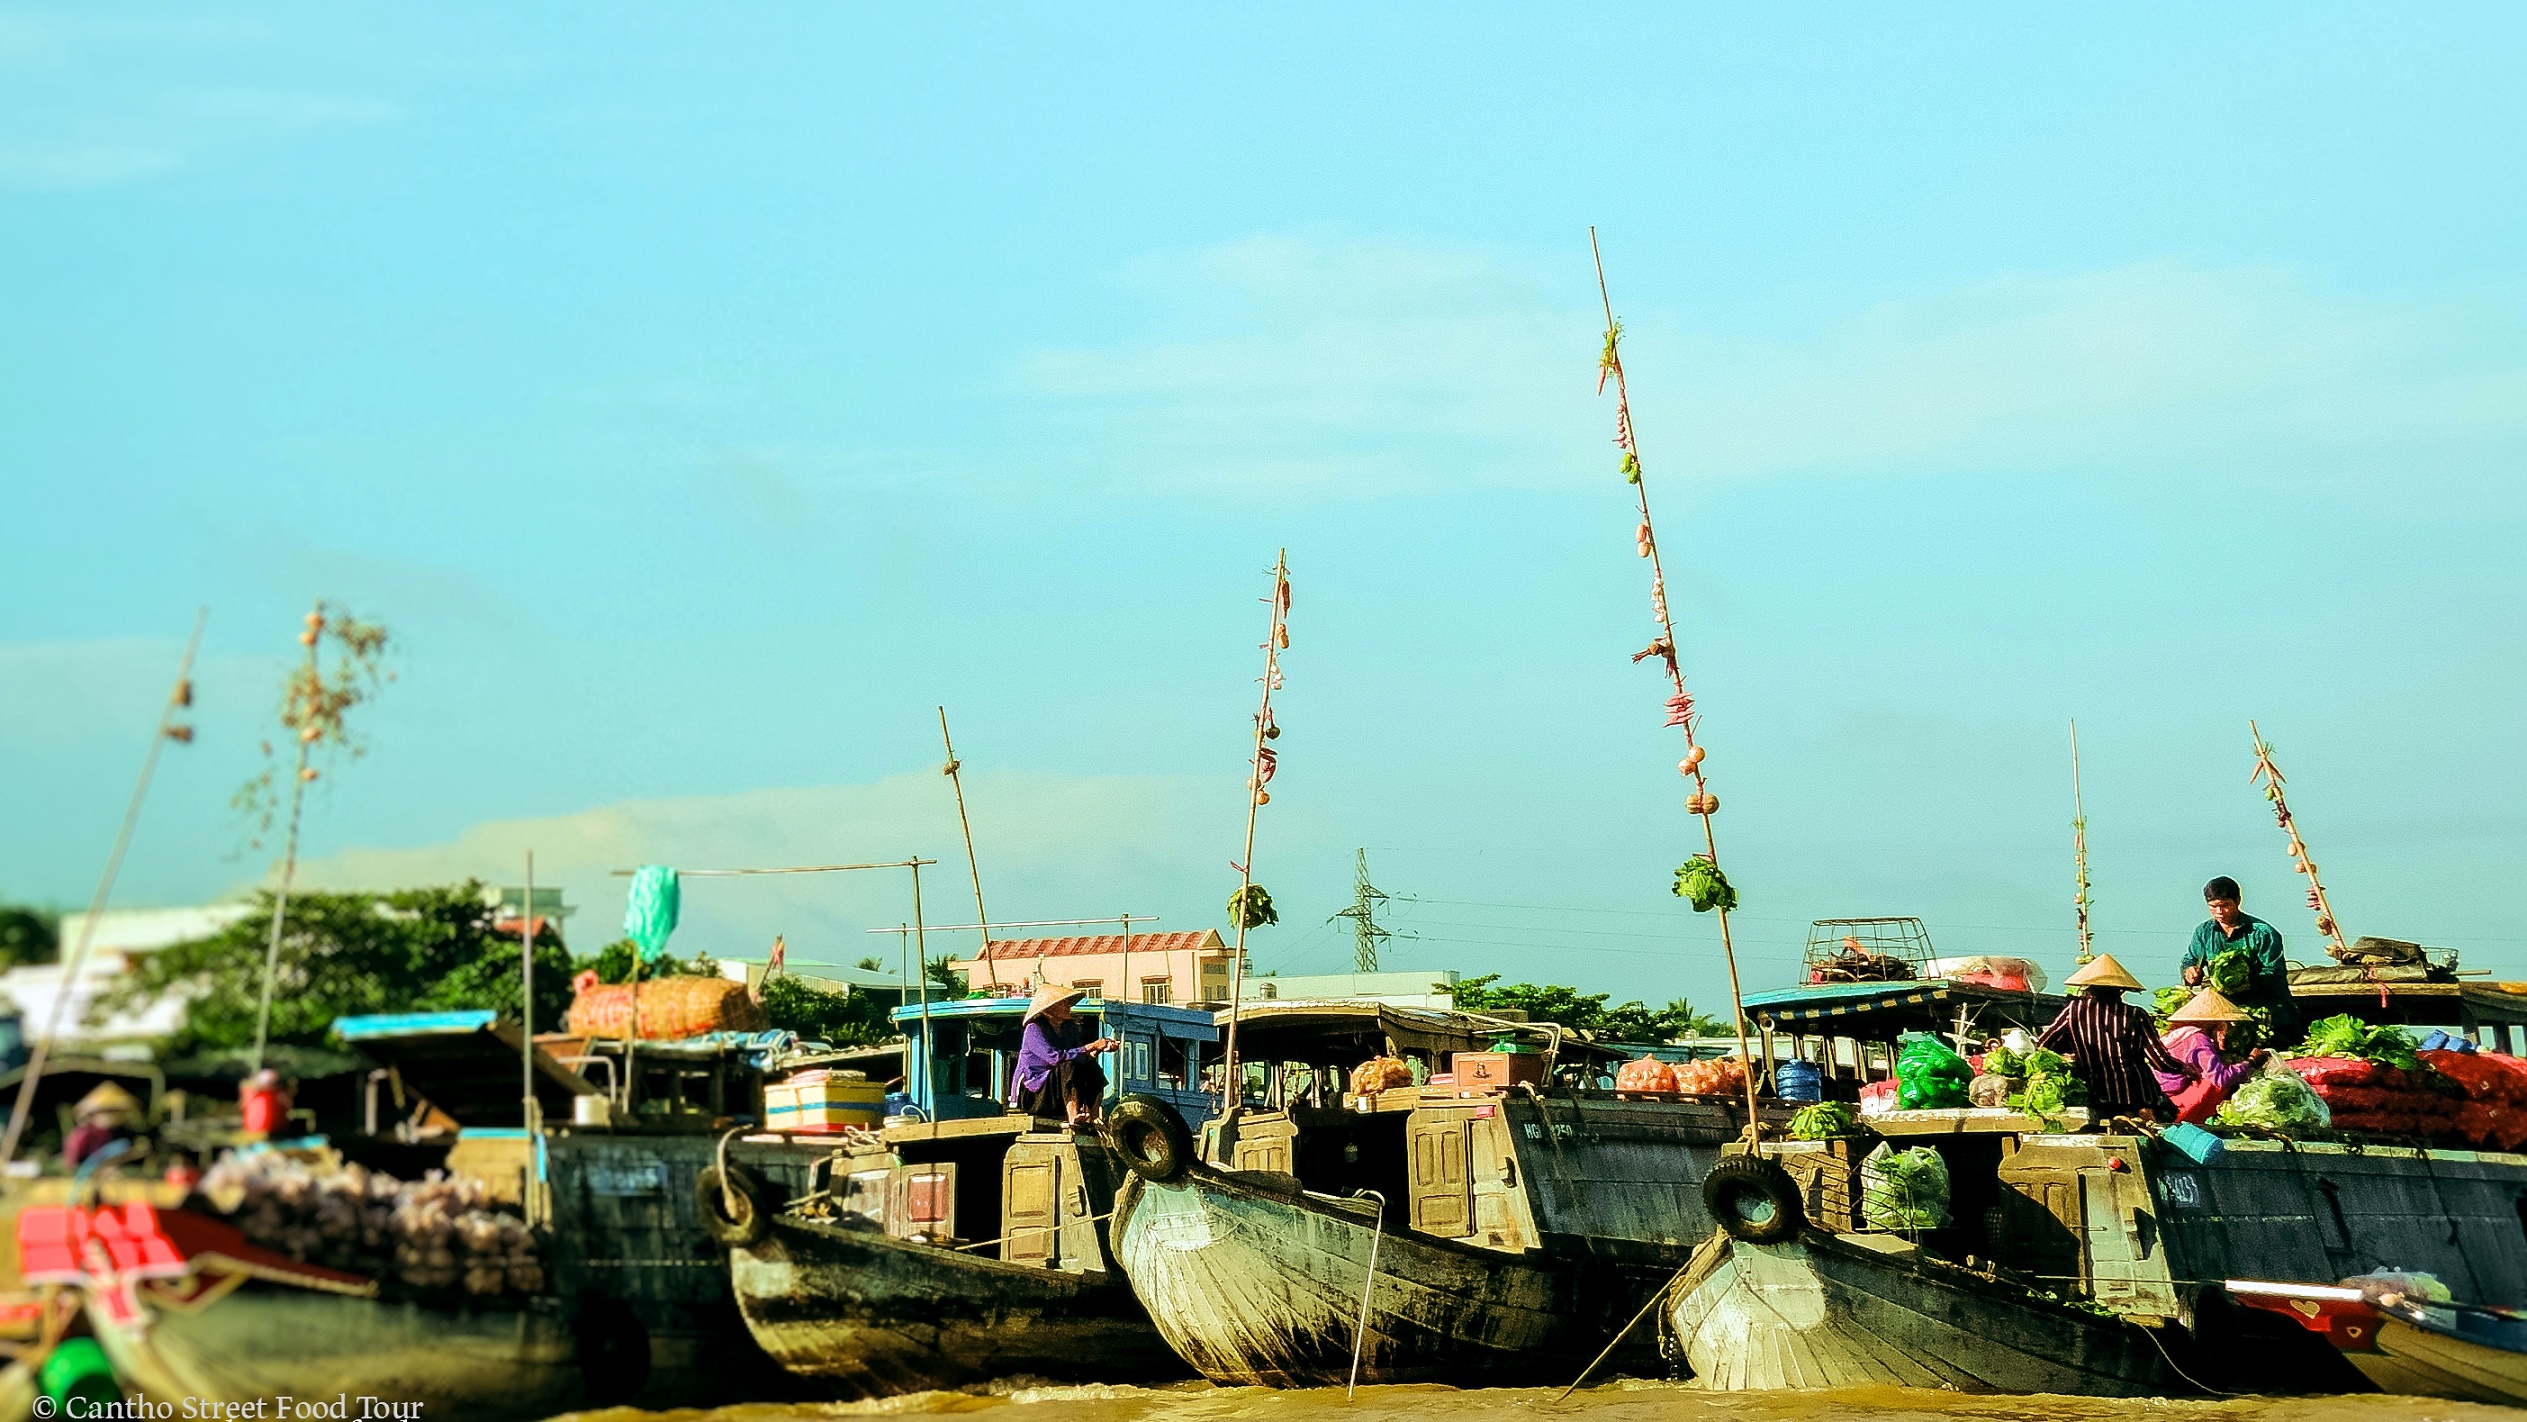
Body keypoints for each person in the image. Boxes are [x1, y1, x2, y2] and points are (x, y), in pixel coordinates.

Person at [2036, 954, 2195, 1124]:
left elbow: (2044, 1044)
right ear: (2120, 990)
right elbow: (2159, 1060)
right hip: (2137, 1094)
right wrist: (2183, 1068)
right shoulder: (2135, 1015)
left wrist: (2071, 1055)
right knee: (2151, 1127)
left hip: (2096, 1093)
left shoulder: (2074, 1010)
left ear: (2089, 988)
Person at [2182, 876, 2298, 1044]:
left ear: (2237, 901)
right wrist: (2190, 971)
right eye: (2213, 907)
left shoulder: (2262, 932)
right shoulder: (2204, 932)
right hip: (2223, 1014)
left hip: (2266, 1013)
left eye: (2225, 905)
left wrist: (2242, 981)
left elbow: (2274, 972)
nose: (2219, 912)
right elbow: (2190, 960)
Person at [1009, 984, 1118, 1126]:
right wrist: (1092, 1045)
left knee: (1093, 1069)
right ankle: (1073, 1115)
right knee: (1067, 1066)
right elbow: (1054, 1058)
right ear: (1050, 1008)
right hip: (1034, 1093)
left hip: (1058, 1092)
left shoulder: (1069, 1028)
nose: (1068, 1007)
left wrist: (1100, 1048)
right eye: (1063, 1003)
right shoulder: (1034, 1029)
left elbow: (1079, 1056)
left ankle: (1093, 1116)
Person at [2155, 987, 2269, 1124]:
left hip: (2160, 1097)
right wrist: (2251, 1062)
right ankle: (2192, 1120)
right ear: (2213, 1024)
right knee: (2212, 1082)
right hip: (2171, 1105)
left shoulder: (2178, 1034)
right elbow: (2220, 1078)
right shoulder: (2197, 1038)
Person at [64, 1082, 141, 1169]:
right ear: (93, 1114)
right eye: (105, 1112)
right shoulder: (83, 1133)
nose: (110, 1116)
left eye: (114, 1111)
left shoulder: (118, 1134)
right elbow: (72, 1161)